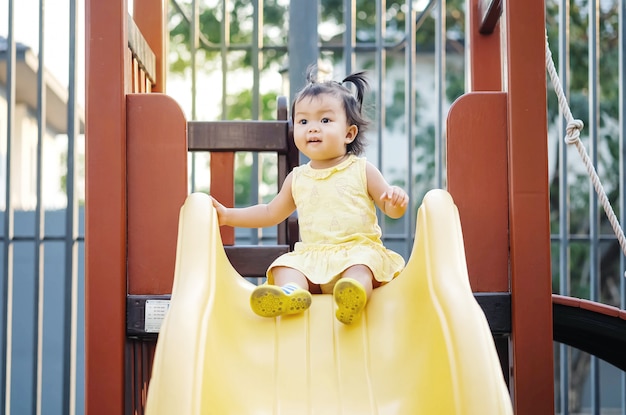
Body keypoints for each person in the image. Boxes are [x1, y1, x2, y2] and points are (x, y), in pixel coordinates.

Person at [210, 68, 408, 324]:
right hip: (314, 259)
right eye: (303, 122)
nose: (312, 129)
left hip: (356, 252)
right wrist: (227, 215)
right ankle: (292, 294)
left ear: (349, 133)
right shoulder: (297, 178)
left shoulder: (362, 169)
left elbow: (389, 207)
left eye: (325, 121)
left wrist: (395, 202)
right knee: (285, 266)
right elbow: (270, 212)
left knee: (362, 267)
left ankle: (353, 294)